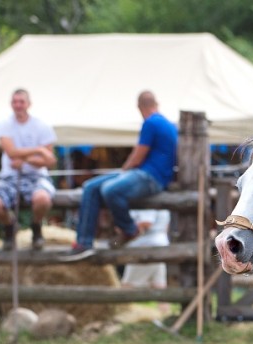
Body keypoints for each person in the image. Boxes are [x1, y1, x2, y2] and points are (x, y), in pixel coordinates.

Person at [70, 91, 177, 255]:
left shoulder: (151, 123)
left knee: (109, 189)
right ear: (156, 104)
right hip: (149, 174)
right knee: (90, 186)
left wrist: (123, 171)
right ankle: (84, 242)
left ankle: (128, 229)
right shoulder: (169, 125)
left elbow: (137, 156)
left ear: (140, 107)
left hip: (150, 177)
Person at [0, 88, 57, 251]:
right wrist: (38, 151)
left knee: (42, 199)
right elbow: (11, 153)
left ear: (29, 104)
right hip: (10, 177)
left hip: (36, 177)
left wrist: (23, 160)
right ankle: (10, 225)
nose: (18, 105)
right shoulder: (5, 124)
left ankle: (36, 226)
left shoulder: (42, 125)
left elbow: (50, 160)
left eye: (21, 101)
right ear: (11, 104)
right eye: (15, 102)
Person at [120, 208, 171, 289]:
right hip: (158, 246)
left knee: (127, 286)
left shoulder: (146, 202)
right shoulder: (161, 200)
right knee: (159, 287)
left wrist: (125, 230)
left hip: (145, 248)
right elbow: (166, 227)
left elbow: (146, 223)